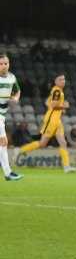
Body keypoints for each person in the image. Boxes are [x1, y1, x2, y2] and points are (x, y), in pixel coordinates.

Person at [16, 74, 76, 173]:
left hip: (57, 120)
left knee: (63, 143)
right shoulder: (57, 91)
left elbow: (47, 103)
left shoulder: (56, 90)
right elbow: (53, 105)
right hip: (51, 120)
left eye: (64, 79)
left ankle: (66, 167)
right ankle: (20, 151)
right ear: (56, 81)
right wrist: (64, 107)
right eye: (60, 79)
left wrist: (59, 108)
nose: (63, 81)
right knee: (42, 143)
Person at [0, 53, 23, 181]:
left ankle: (8, 173)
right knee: (3, 142)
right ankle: (8, 173)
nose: (4, 66)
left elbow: (18, 90)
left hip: (2, 114)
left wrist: (15, 98)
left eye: (6, 63)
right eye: (1, 63)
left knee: (2, 144)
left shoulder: (12, 77)